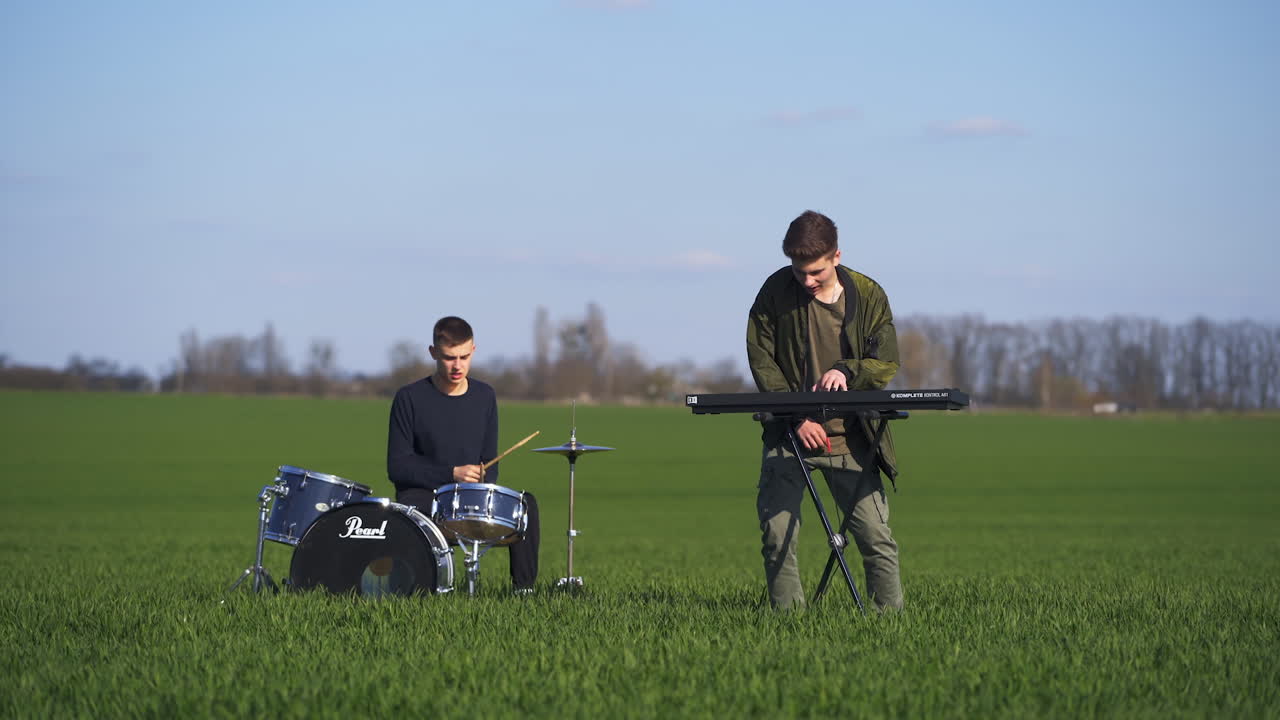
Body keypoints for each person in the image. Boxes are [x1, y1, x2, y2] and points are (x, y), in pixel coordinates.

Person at [746, 210, 902, 611]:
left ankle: (891, 622)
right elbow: (762, 360)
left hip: (853, 438)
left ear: (836, 256)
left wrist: (847, 370)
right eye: (799, 272)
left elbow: (886, 363)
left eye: (816, 272)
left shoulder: (868, 295)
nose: (807, 281)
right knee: (777, 536)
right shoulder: (774, 292)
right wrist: (797, 417)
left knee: (875, 537)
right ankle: (789, 622)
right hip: (789, 434)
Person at [387, 316, 539, 593]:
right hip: (423, 499)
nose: (458, 366)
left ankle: (524, 592)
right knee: (414, 517)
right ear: (433, 353)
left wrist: (481, 479)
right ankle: (428, 590)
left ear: (473, 351)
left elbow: (490, 462)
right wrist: (451, 474)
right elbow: (397, 467)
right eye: (449, 358)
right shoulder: (409, 398)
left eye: (464, 356)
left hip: (470, 496)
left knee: (525, 505)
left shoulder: (485, 396)